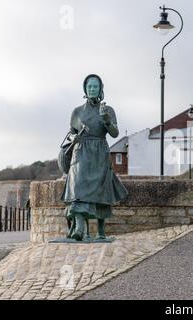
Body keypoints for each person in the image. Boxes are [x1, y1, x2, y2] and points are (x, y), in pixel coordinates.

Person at [60, 74, 128, 241]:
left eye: (95, 87)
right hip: (81, 151)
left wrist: (106, 120)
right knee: (77, 189)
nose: (92, 89)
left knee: (101, 190)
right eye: (89, 87)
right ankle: (80, 226)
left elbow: (114, 133)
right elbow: (70, 135)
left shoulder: (108, 110)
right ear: (85, 89)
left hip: (99, 152)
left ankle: (101, 230)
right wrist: (73, 139)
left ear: (100, 89)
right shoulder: (77, 112)